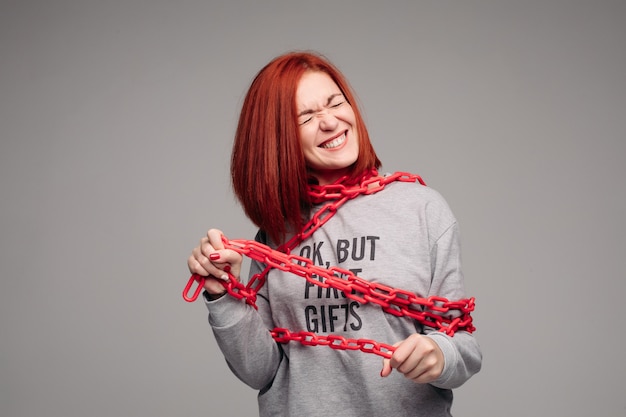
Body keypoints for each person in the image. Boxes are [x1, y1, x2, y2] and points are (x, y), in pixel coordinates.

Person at [186, 51, 482, 417]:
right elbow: (260, 370)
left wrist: (439, 354)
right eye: (306, 117)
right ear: (277, 139)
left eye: (335, 103)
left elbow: (464, 348)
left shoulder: (421, 209)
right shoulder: (276, 234)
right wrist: (223, 292)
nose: (330, 122)